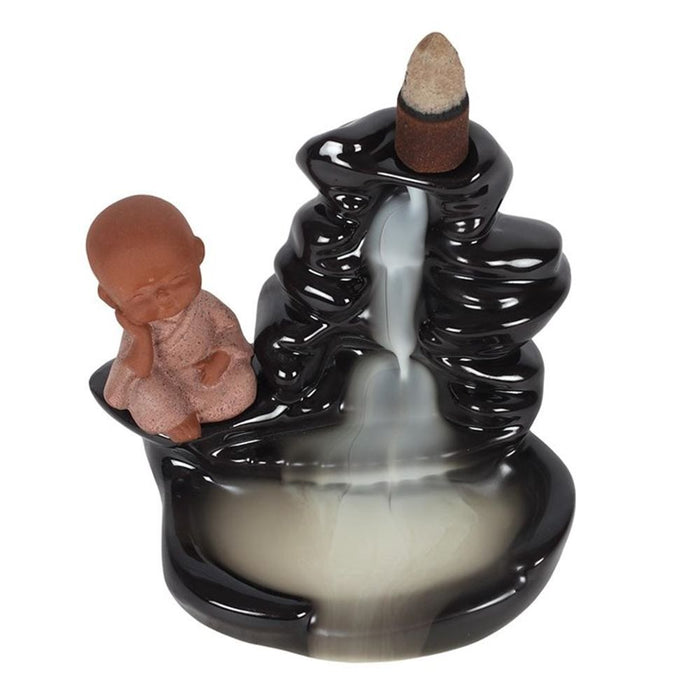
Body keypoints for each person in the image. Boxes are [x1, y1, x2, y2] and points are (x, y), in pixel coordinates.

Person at [87, 194, 256, 442]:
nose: (163, 297)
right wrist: (142, 338)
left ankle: (192, 414)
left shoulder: (205, 305)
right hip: (168, 393)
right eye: (141, 297)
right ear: (110, 298)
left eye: (178, 279)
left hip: (206, 379)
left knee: (243, 382)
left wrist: (221, 359)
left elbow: (228, 330)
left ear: (197, 253)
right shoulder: (138, 330)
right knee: (144, 389)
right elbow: (121, 390)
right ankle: (177, 421)